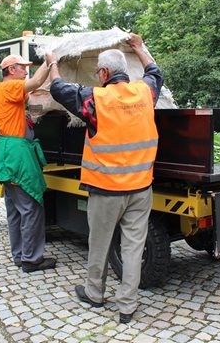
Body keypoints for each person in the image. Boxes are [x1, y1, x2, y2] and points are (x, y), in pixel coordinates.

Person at [46, 34, 163, 324]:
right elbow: (155, 73)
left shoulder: (95, 99)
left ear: (104, 73)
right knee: (133, 248)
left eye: (99, 71)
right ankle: (127, 305)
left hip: (106, 190)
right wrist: (139, 47)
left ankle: (95, 293)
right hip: (140, 188)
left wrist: (52, 64)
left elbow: (59, 89)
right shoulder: (144, 93)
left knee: (99, 244)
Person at [0, 54, 56, 273]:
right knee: (31, 208)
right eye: (23, 68)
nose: (26, 71)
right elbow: (37, 82)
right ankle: (31, 259)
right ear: (11, 70)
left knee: (16, 210)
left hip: (8, 154)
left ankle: (20, 255)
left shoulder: (4, 91)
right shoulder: (9, 87)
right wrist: (51, 61)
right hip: (17, 155)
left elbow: (32, 100)